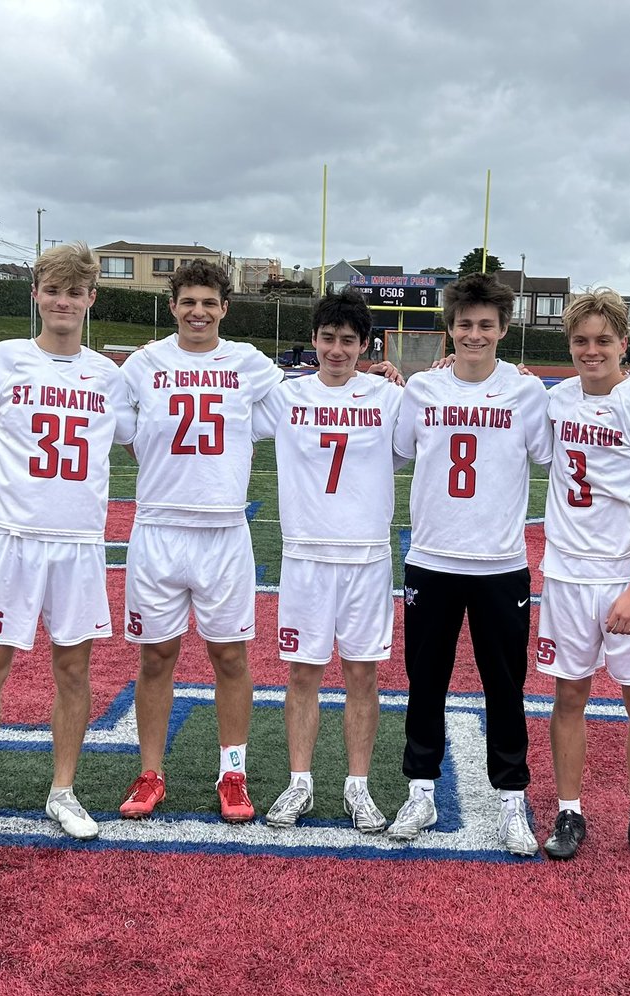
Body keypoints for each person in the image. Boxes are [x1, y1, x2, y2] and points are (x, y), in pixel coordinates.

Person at [0, 242, 133, 850]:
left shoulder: (110, 376)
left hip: (77, 543)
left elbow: (151, 432)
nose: (64, 301)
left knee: (73, 668)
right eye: (54, 290)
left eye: (76, 291)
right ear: (37, 295)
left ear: (91, 299)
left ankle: (63, 791)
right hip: (10, 540)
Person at [387, 272, 552, 857]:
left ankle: (511, 797)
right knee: (424, 682)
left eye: (486, 325)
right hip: (431, 558)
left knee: (504, 687)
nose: (474, 334)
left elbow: (551, 457)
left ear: (503, 329)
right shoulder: (422, 391)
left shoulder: (528, 393)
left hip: (499, 562)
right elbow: (399, 452)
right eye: (464, 325)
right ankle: (421, 790)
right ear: (449, 329)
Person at [118, 260, 283, 824]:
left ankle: (231, 773)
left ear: (224, 309)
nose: (198, 312)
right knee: (157, 655)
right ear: (172, 306)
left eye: (209, 302)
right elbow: (122, 432)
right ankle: (150, 771)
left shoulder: (249, 363)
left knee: (229, 655)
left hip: (223, 532)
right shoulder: (145, 363)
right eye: (189, 301)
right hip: (159, 530)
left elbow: (304, 399)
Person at [535, 288, 630, 874]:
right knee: (568, 695)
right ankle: (570, 810)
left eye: (603, 340)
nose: (591, 350)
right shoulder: (556, 400)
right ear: (569, 345)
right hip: (569, 577)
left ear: (624, 344)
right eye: (580, 341)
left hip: (628, 579)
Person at [252, 288, 404, 833]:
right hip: (306, 556)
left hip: (366, 557)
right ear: (313, 341)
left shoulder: (388, 398)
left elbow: (427, 432)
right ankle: (300, 782)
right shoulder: (286, 395)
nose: (336, 350)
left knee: (363, 673)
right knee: (303, 672)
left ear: (366, 344)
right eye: (327, 339)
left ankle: (357, 787)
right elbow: (227, 415)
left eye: (348, 341)